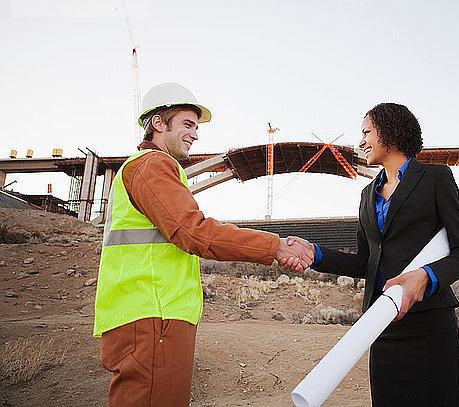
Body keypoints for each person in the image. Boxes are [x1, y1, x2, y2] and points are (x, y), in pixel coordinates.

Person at [93, 82, 312, 407]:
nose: (195, 134)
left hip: (149, 314)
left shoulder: (150, 170)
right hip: (153, 315)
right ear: (158, 123)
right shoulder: (152, 166)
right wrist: (275, 246)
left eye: (196, 127)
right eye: (187, 124)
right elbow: (193, 232)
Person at [285, 103, 459, 406]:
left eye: (366, 132)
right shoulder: (366, 195)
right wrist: (315, 253)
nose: (360, 142)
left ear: (390, 131)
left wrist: (425, 277)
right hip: (382, 326)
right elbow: (366, 262)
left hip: (431, 327)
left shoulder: (436, 178)